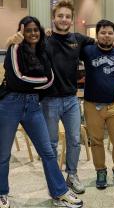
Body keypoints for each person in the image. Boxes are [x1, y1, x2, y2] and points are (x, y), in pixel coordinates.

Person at [7, 0, 114, 194]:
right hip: (49, 101)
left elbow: (102, 40)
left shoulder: (78, 39)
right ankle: (56, 183)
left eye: (67, 16)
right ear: (54, 18)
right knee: (52, 144)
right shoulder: (44, 39)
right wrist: (10, 41)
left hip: (72, 101)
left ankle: (72, 175)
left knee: (74, 140)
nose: (64, 19)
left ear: (72, 19)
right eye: (60, 16)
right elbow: (21, 42)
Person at [0, 16, 83, 208]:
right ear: (21, 31)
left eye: (36, 29)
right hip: (9, 104)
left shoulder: (42, 51)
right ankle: (2, 192)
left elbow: (50, 79)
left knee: (47, 151)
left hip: (32, 105)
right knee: (3, 153)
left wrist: (39, 83)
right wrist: (41, 82)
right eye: (28, 30)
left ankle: (59, 192)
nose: (33, 33)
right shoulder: (15, 48)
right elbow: (17, 79)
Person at [81, 19, 114, 189]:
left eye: (110, 33)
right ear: (97, 35)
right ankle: (100, 171)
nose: (107, 36)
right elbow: (73, 40)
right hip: (91, 105)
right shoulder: (88, 50)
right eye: (103, 32)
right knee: (96, 141)